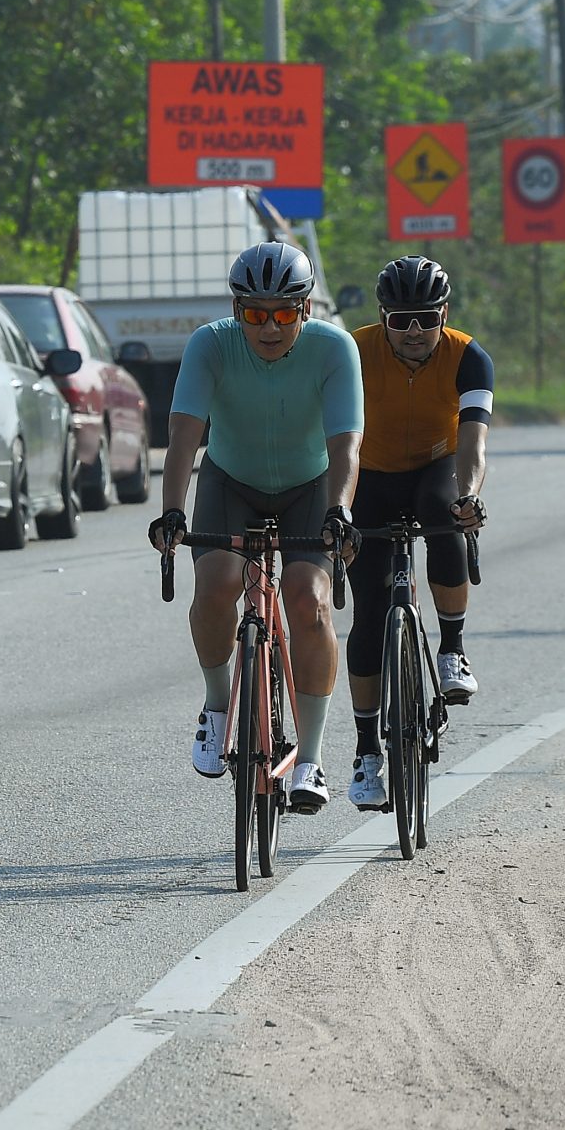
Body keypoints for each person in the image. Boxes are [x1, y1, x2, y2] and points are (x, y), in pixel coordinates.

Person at [148, 241, 363, 815]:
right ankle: (218, 706)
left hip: (310, 486)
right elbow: (184, 437)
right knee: (217, 582)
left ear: (307, 309)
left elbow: (346, 445)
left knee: (308, 600)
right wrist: (172, 510)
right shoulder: (210, 344)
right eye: (255, 313)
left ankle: (311, 757)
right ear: (236, 309)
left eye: (285, 313)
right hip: (231, 481)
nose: (269, 327)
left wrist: (340, 509)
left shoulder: (334, 348)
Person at [343, 256, 492, 812]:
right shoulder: (353, 351)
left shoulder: (468, 356)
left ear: (443, 315)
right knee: (369, 612)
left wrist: (469, 494)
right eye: (400, 319)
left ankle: (453, 650)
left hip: (436, 465)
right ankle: (366, 752)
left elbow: (473, 440)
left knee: (445, 509)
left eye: (425, 319)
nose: (413, 331)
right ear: (382, 316)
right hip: (370, 476)